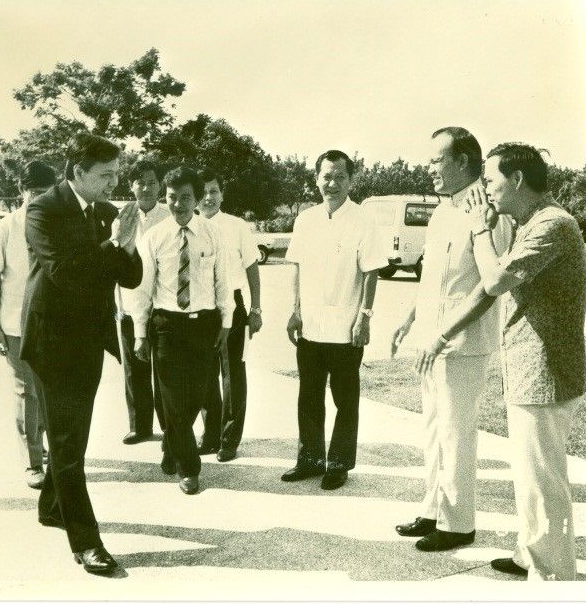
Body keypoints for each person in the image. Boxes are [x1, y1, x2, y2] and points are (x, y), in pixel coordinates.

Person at [412, 143, 586, 580]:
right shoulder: (532, 223)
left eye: (491, 181)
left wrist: (479, 230)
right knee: (529, 475)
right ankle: (531, 553)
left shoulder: (553, 224)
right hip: (529, 366)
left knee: (542, 480)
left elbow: (492, 281)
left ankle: (552, 576)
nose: (486, 190)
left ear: (518, 179)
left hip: (546, 369)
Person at [20, 132, 143, 576]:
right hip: (51, 342)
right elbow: (65, 273)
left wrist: (127, 244)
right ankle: (87, 542)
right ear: (78, 172)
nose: (114, 183)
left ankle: (52, 507)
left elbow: (130, 278)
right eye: (106, 175)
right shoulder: (43, 210)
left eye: (116, 174)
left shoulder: (107, 213)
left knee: (73, 435)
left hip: (88, 339)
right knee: (68, 443)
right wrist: (113, 243)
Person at [390, 128, 512, 552]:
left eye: (436, 160)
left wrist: (444, 334)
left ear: (462, 162)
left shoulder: (488, 213)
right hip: (430, 339)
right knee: (433, 430)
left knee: (456, 433)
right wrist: (410, 319)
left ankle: (458, 523)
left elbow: (488, 285)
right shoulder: (443, 211)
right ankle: (433, 509)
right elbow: (433, 279)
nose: (429, 168)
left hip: (462, 342)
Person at [282, 149, 384, 491]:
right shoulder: (305, 220)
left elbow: (371, 272)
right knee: (308, 397)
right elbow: (297, 266)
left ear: (351, 181)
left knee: (345, 400)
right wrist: (295, 311)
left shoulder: (364, 220)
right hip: (310, 327)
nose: (333, 183)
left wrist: (364, 318)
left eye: (340, 177)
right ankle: (309, 460)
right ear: (316, 180)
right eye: (326, 176)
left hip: (346, 328)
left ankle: (338, 464)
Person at [131, 166, 233, 495]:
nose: (178, 205)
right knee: (173, 399)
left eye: (185, 198)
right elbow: (142, 289)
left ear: (197, 198)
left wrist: (226, 322)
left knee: (197, 395)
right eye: (172, 197)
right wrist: (140, 333)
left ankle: (171, 445)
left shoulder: (213, 234)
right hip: (167, 326)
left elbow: (223, 281)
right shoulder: (154, 237)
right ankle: (189, 468)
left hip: (204, 325)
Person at [0, 160, 56, 490]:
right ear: (21, 190)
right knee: (27, 392)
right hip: (16, 326)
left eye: (46, 192)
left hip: (53, 324)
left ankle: (50, 449)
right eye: (34, 192)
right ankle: (33, 462)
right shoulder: (4, 228)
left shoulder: (59, 224)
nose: (39, 199)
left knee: (51, 391)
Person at [196, 168, 263, 462]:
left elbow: (252, 268)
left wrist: (256, 308)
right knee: (204, 375)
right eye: (203, 192)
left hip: (232, 306)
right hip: (200, 307)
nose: (208, 197)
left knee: (232, 374)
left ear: (222, 194)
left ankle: (229, 439)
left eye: (214, 191)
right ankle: (210, 435)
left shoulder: (237, 226)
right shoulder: (190, 225)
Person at [115, 159, 170, 445]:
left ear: (160, 185)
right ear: (131, 186)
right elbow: (115, 260)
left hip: (162, 305)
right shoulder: (122, 217)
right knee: (134, 368)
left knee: (163, 368)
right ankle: (140, 426)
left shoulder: (170, 216)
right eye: (140, 183)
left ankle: (169, 426)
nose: (146, 188)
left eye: (152, 182)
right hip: (129, 303)